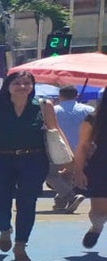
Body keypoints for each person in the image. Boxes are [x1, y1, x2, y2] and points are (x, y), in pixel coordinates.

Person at [0, 70, 65, 261]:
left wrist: (68, 158)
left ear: (32, 86)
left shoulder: (44, 106)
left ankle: (20, 245)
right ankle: (4, 229)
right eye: (17, 83)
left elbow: (55, 131)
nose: (22, 87)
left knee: (27, 203)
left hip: (34, 159)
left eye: (26, 83)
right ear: (7, 86)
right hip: (1, 160)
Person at [45, 84, 94, 213]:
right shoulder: (88, 110)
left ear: (60, 96)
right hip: (83, 148)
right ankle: (61, 200)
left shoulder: (53, 110)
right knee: (68, 174)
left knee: (50, 174)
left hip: (59, 148)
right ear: (76, 95)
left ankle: (69, 196)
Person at [67, 106, 106, 248]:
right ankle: (97, 227)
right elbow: (83, 145)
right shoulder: (94, 118)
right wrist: (78, 171)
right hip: (101, 166)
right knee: (98, 213)